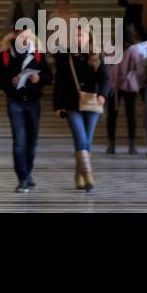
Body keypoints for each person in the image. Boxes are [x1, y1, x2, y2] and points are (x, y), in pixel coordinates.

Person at [0, 29, 53, 193]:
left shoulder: (38, 55)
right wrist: (11, 81)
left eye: (27, 36)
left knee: (32, 142)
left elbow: (49, 77)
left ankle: (27, 173)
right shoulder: (4, 56)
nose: (24, 39)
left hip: (34, 102)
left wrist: (39, 79)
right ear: (14, 36)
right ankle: (22, 178)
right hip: (15, 102)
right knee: (19, 140)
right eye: (20, 35)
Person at [54, 20, 109, 192]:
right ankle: (89, 176)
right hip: (71, 104)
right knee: (81, 138)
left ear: (88, 37)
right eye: (76, 35)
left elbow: (105, 79)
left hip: (91, 102)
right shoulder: (65, 55)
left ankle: (78, 175)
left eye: (82, 34)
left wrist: (103, 95)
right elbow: (59, 82)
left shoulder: (96, 55)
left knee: (87, 140)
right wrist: (58, 105)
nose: (79, 38)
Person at [107, 23, 147, 154]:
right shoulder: (133, 49)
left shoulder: (110, 48)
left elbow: (106, 67)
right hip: (130, 85)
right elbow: (138, 67)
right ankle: (132, 145)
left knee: (112, 116)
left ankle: (111, 145)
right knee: (131, 116)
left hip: (113, 86)